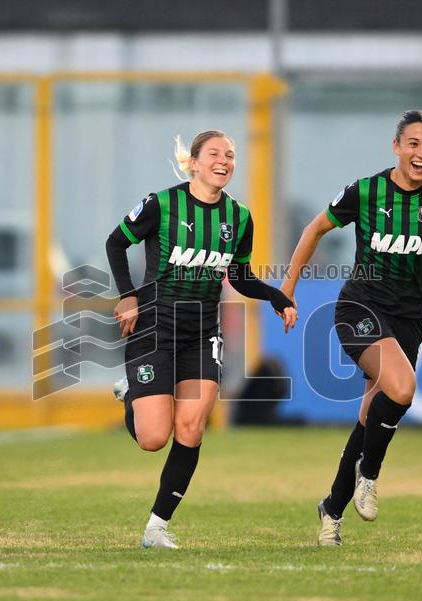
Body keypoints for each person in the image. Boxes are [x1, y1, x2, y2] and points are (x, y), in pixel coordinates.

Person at [280, 110, 422, 546]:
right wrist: (288, 288)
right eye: (413, 143)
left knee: (370, 414)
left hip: (409, 319)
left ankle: (332, 509)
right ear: (396, 146)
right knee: (404, 387)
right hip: (360, 306)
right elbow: (314, 229)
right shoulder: (366, 192)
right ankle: (369, 476)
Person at [105, 130, 297, 549]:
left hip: (202, 331)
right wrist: (128, 296)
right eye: (214, 154)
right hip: (155, 326)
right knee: (154, 438)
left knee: (191, 427)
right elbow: (116, 242)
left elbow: (241, 277)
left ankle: (157, 527)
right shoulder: (162, 204)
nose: (224, 161)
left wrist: (276, 297)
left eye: (230, 155)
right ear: (193, 162)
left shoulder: (239, 217)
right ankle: (131, 395)